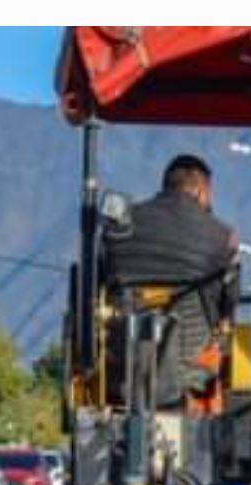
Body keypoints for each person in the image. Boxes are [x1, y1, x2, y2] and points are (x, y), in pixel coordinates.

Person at [100, 152, 241, 418]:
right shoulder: (222, 237)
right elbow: (228, 310)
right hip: (190, 372)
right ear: (201, 191)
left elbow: (100, 290)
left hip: (121, 363)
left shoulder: (120, 227)